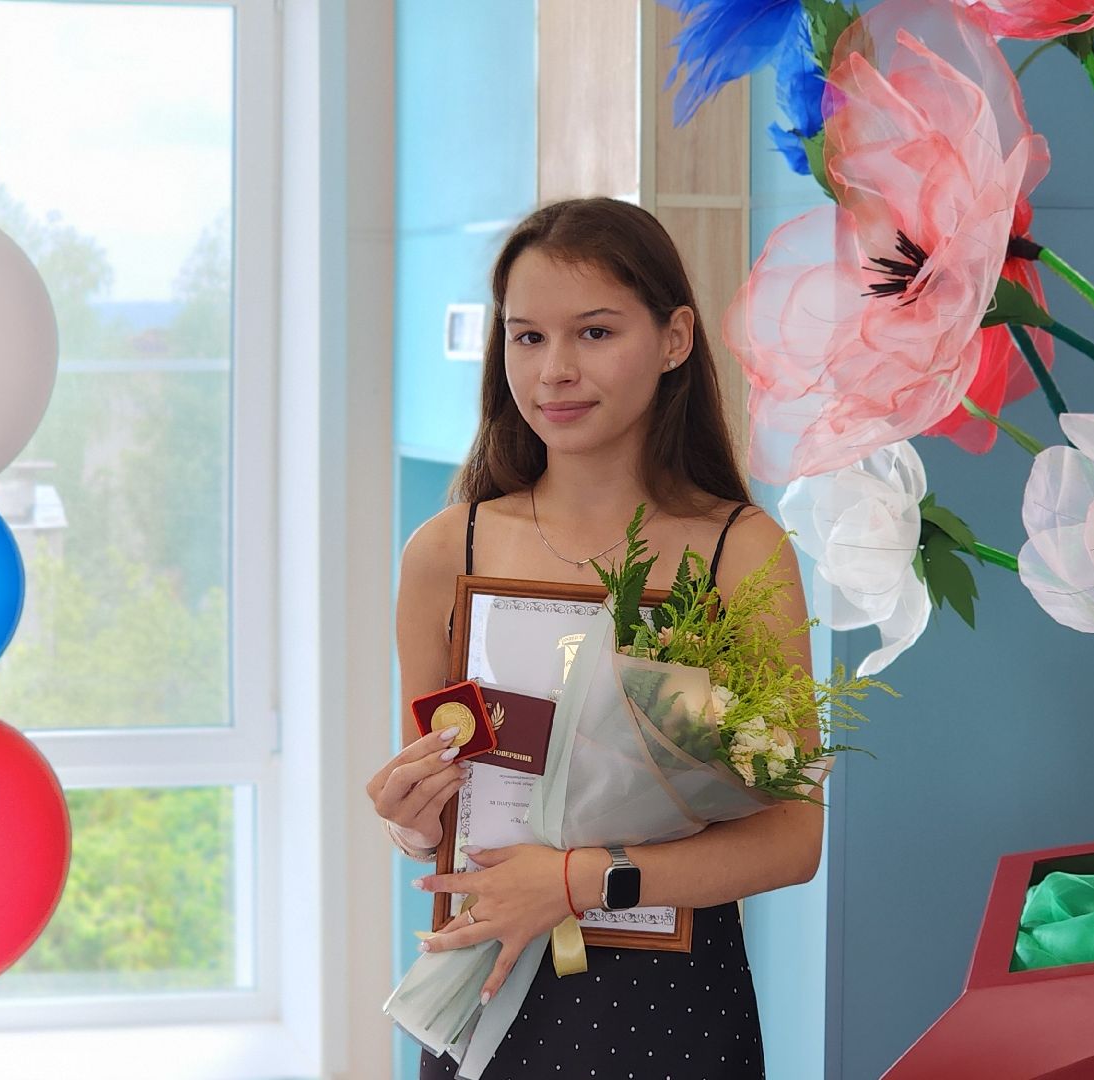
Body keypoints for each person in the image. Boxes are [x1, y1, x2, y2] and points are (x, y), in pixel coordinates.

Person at [364, 197, 820, 1078]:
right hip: (488, 991)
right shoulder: (445, 552)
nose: (555, 371)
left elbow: (793, 839)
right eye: (528, 337)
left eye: (595, 333)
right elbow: (442, 808)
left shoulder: (740, 551)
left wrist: (578, 879)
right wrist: (412, 822)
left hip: (674, 1010)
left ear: (675, 338)